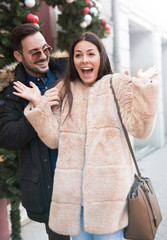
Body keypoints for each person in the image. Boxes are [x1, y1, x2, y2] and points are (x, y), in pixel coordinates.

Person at [12, 32, 159, 240]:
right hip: (75, 202)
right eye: (78, 55)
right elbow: (53, 139)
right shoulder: (63, 89)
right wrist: (40, 105)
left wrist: (142, 89)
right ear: (72, 60)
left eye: (91, 53)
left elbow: (141, 130)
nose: (85, 60)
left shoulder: (116, 84)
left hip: (110, 202)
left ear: (101, 56)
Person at [0, 23, 70, 240]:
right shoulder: (11, 90)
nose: (43, 56)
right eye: (34, 52)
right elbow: (8, 138)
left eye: (45, 48)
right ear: (19, 56)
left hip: (84, 178)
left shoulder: (69, 68)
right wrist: (41, 107)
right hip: (49, 186)